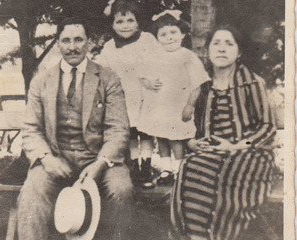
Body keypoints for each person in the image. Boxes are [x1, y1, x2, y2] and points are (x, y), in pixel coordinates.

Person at [17, 17, 134, 240]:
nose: (73, 47)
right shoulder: (41, 81)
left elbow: (118, 129)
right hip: (56, 157)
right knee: (32, 192)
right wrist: (47, 158)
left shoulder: (108, 78)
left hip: (99, 160)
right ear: (58, 43)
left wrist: (100, 163)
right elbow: (31, 129)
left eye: (79, 40)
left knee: (121, 190)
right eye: (66, 40)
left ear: (89, 43)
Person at [170, 25, 276, 240]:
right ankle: (194, 236)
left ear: (239, 52)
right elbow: (188, 124)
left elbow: (268, 127)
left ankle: (217, 235)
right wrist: (192, 142)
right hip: (209, 153)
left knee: (223, 174)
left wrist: (234, 146)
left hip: (249, 153)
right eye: (216, 43)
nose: (221, 49)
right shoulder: (201, 84)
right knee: (190, 166)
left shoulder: (252, 83)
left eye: (229, 44)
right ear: (208, 50)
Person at [137, 10, 209, 182]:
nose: (169, 37)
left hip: (177, 106)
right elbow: (142, 75)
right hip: (158, 107)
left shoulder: (187, 56)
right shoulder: (153, 56)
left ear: (182, 34)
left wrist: (190, 105)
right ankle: (166, 169)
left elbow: (197, 85)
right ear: (156, 38)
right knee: (161, 137)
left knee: (176, 139)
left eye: (173, 32)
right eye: (163, 34)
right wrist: (148, 83)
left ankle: (178, 169)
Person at [95, 0, 161, 187]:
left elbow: (157, 62)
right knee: (130, 134)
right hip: (123, 97)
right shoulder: (109, 47)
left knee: (145, 132)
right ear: (112, 25)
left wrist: (150, 78)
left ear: (138, 22)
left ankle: (146, 167)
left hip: (144, 94)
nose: (125, 26)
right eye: (120, 22)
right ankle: (134, 168)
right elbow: (103, 68)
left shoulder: (147, 40)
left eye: (130, 21)